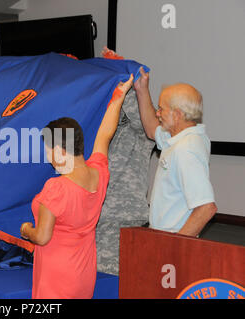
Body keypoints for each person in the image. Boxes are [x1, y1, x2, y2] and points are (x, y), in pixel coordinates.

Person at [20, 74, 134, 299]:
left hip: (57, 277)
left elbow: (42, 237)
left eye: (49, 151)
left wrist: (25, 230)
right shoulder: (99, 172)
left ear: (61, 151)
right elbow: (105, 134)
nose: (48, 158)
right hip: (83, 274)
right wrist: (118, 96)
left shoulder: (57, 187)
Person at [134, 67, 217, 236]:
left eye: (161, 109)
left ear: (177, 115)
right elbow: (151, 129)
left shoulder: (185, 150)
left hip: (171, 241)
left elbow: (206, 207)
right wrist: (142, 89)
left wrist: (175, 247)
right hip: (165, 238)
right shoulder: (184, 137)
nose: (158, 114)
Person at [96, 47, 156, 275]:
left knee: (112, 285)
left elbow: (142, 117)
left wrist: (120, 73)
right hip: (92, 218)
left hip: (122, 221)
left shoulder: (144, 126)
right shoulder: (99, 126)